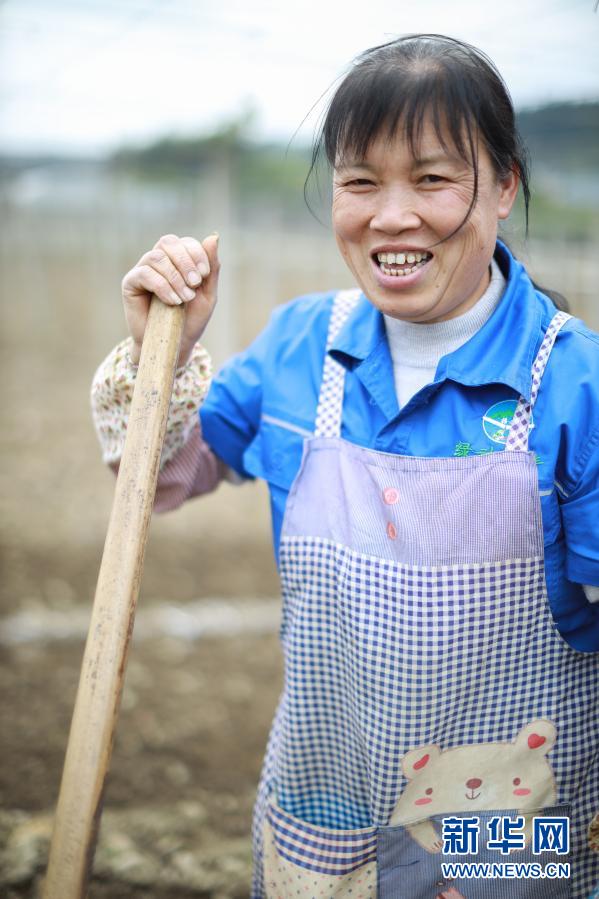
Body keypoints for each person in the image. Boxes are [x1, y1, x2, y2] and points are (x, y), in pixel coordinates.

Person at [92, 34, 599, 899]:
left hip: (505, 828)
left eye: (432, 179)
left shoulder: (573, 384)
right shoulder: (300, 345)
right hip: (326, 807)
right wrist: (159, 353)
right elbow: (163, 477)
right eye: (359, 181)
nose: (390, 216)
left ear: (505, 186)